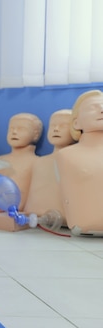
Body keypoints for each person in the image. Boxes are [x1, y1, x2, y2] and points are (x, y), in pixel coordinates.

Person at [0, 113, 42, 231]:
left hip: (17, 210)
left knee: (11, 220)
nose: (14, 132)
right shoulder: (0, 160)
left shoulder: (37, 162)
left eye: (21, 129)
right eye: (11, 129)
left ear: (35, 134)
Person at [56, 90, 103, 235]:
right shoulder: (66, 155)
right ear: (76, 122)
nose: (101, 110)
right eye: (93, 108)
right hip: (83, 227)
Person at [24, 109, 75, 225]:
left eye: (63, 126)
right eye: (53, 125)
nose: (56, 129)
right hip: (35, 218)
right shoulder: (39, 162)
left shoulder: (75, 162)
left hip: (63, 219)